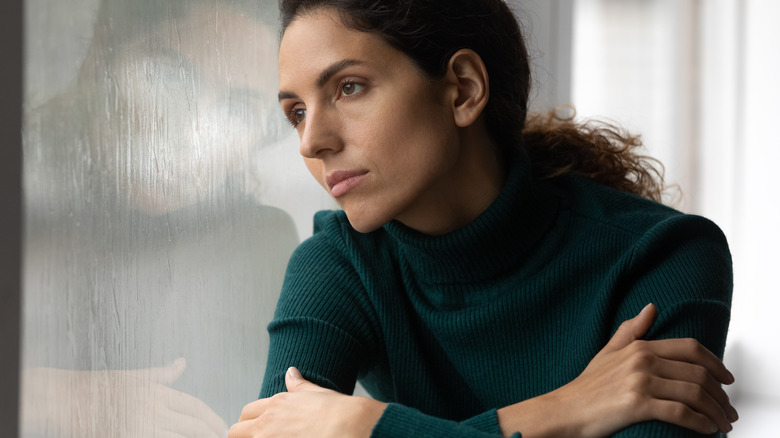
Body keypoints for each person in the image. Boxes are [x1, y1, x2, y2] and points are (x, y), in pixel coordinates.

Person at [229, 0, 737, 437]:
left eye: (349, 87)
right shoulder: (341, 264)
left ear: (463, 89)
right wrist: (563, 411)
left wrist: (363, 427)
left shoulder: (662, 254)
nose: (311, 142)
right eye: (297, 112)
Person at [20, 0, 299, 436]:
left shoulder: (260, 246)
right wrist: (64, 400)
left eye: (238, 109)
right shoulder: (29, 192)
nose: (191, 135)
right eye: (168, 78)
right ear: (102, 57)